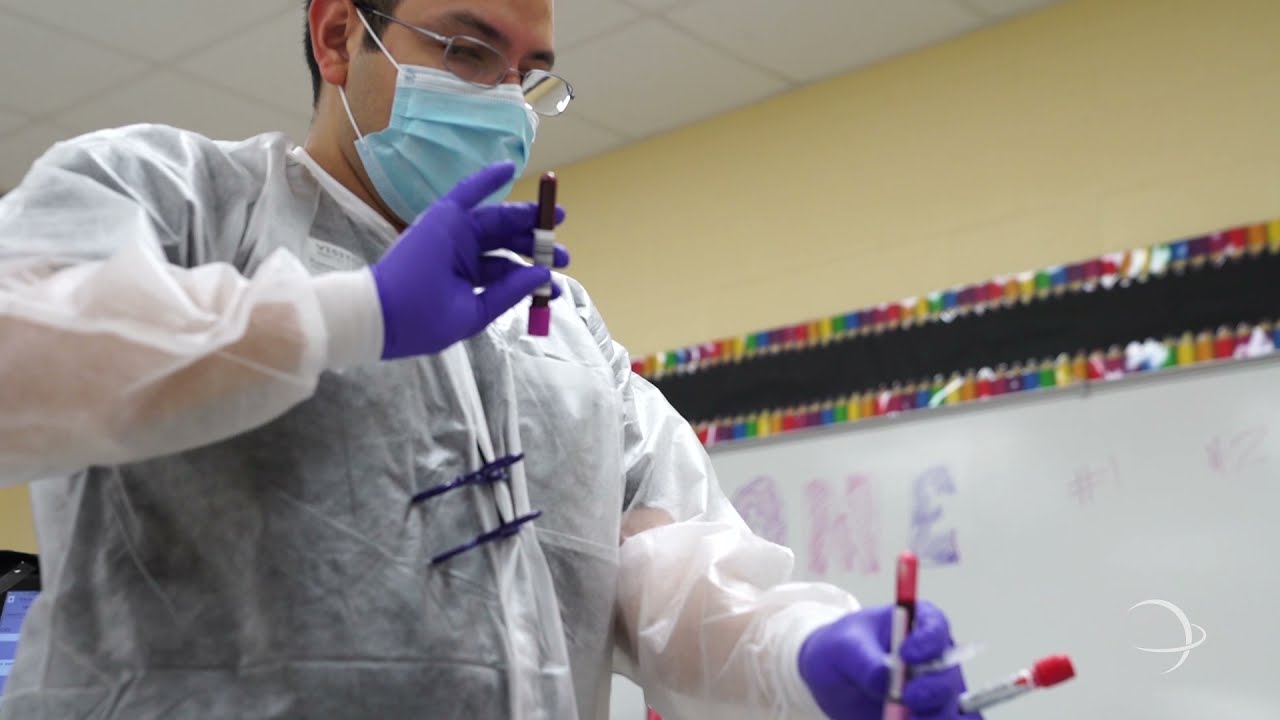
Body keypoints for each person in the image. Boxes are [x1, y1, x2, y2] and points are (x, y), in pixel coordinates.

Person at [0, 1, 982, 718]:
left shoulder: (549, 321)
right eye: (466, 49)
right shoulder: (167, 195)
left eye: (527, 70)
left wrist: (798, 647)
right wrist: (353, 316)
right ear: (337, 35)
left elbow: (668, 568)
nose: (502, 99)